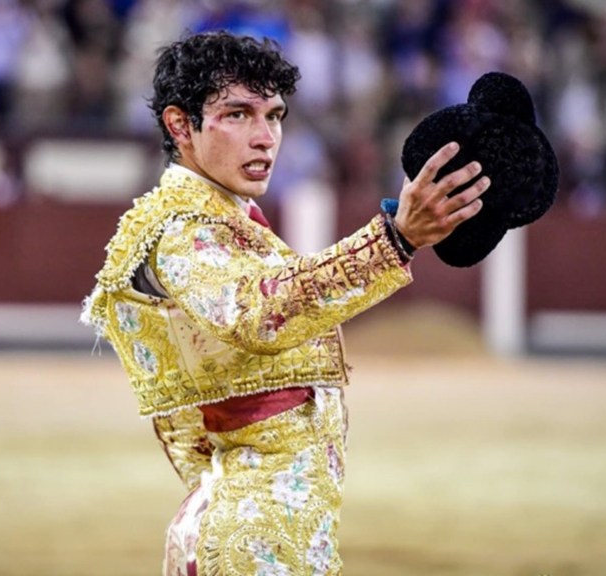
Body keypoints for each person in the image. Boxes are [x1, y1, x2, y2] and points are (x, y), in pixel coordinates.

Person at [81, 30, 488, 575]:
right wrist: (395, 240)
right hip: (251, 536)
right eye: (237, 115)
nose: (265, 138)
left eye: (274, 116)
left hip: (257, 519)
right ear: (180, 125)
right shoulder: (182, 229)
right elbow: (256, 314)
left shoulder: (223, 221)